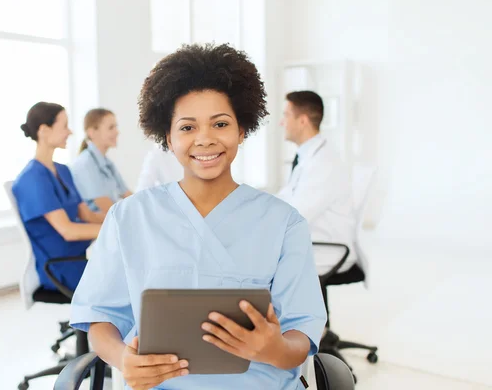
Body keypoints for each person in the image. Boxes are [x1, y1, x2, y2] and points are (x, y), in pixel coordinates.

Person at [70, 44, 327, 390]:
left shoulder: (284, 224)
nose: (204, 139)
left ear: (242, 131)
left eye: (220, 123)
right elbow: (101, 316)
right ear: (168, 137)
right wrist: (122, 359)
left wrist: (275, 348)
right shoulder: (128, 218)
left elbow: (301, 334)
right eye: (187, 128)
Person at [12, 102, 104, 292]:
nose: (69, 132)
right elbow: (68, 231)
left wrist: (121, 220)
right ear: (44, 130)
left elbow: (88, 216)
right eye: (64, 126)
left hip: (81, 257)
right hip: (61, 268)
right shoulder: (31, 179)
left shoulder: (63, 171)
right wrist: (113, 231)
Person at [276, 91, 356, 276]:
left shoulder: (322, 163)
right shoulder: (309, 157)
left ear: (302, 121)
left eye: (286, 115)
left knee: (254, 262)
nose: (282, 122)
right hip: (314, 242)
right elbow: (286, 197)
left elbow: (296, 215)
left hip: (327, 249)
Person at [71, 108, 132, 212]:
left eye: (116, 127)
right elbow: (105, 206)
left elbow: (128, 195)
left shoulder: (108, 163)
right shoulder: (85, 163)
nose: (117, 132)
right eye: (111, 128)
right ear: (92, 132)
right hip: (97, 225)